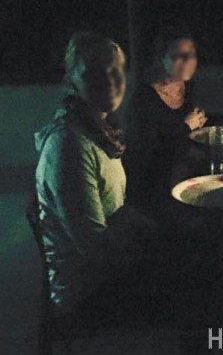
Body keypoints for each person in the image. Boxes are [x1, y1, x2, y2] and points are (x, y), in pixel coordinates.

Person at [35, 32, 156, 316]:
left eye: (116, 69)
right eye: (95, 71)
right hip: (87, 291)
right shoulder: (68, 146)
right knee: (192, 285)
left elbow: (118, 211)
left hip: (108, 270)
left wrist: (158, 231)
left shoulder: (100, 131)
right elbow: (97, 250)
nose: (111, 79)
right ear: (71, 81)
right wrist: (151, 251)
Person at [123, 24, 207, 214]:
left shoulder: (187, 87)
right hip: (152, 187)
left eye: (191, 54)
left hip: (181, 172)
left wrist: (197, 128)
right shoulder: (144, 98)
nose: (188, 60)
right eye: (178, 55)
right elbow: (149, 156)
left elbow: (183, 137)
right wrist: (187, 126)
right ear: (161, 58)